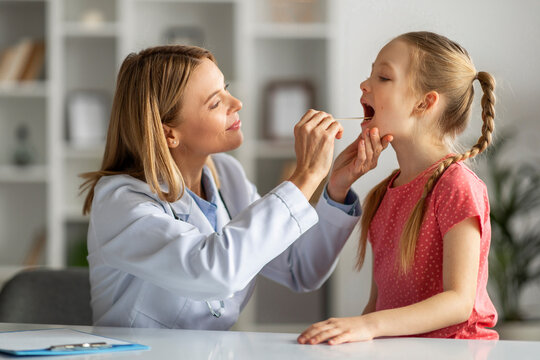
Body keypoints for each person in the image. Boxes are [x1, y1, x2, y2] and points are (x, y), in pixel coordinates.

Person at [80, 45, 392, 330]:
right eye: (215, 102)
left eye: (225, 88)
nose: (237, 103)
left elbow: (300, 268)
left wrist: (336, 187)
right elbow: (215, 271)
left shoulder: (225, 176)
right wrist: (306, 176)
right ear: (169, 133)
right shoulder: (120, 203)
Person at [298, 31, 498, 345]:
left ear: (424, 103)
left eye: (383, 77)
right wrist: (358, 333)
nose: (365, 85)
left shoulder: (456, 186)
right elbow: (378, 306)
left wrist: (368, 326)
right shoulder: (382, 193)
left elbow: (460, 302)